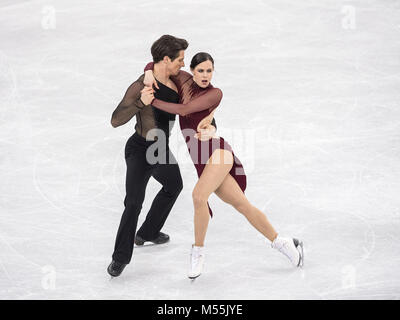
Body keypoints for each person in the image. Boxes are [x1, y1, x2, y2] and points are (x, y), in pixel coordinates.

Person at [140, 53, 304, 279]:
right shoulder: (183, 80)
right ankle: (283, 243)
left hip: (218, 153)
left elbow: (186, 111)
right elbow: (162, 66)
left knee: (199, 196)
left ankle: (197, 253)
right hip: (200, 159)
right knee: (242, 205)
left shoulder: (215, 94)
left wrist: (154, 101)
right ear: (192, 71)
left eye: (209, 71)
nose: (205, 75)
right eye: (201, 71)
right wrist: (149, 70)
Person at [107, 36, 217, 277]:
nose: (182, 63)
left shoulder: (179, 81)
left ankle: (147, 233)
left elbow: (201, 104)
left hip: (160, 151)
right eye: (179, 59)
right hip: (140, 149)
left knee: (174, 185)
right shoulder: (141, 86)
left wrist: (211, 126)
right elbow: (115, 120)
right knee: (133, 203)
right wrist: (139, 102)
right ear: (166, 59)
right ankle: (120, 258)